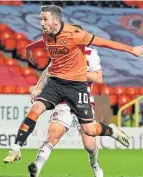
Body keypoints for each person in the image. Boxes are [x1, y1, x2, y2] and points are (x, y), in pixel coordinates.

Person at [3, 5, 143, 166]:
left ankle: (111, 130)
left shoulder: (75, 34)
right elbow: (44, 46)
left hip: (75, 88)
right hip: (55, 83)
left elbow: (105, 43)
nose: (41, 23)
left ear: (56, 21)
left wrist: (131, 49)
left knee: (89, 130)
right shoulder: (47, 33)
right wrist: (29, 49)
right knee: (36, 108)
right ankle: (15, 148)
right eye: (40, 19)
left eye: (45, 19)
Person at [28, 38, 104, 177]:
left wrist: (76, 74)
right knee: (53, 135)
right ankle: (35, 171)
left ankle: (94, 163)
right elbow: (48, 70)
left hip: (83, 100)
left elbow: (98, 77)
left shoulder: (91, 53)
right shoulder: (61, 53)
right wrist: (38, 88)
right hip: (63, 100)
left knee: (89, 145)